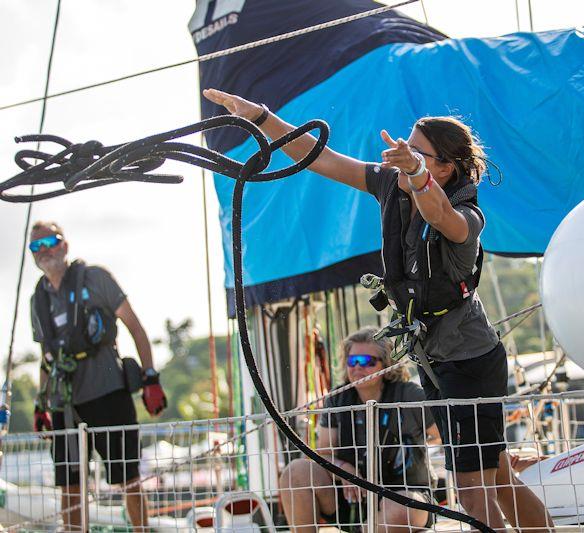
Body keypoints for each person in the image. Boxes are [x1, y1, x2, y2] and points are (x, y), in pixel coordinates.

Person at [204, 88, 551, 531]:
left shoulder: (467, 217)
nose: (400, 156)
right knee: (497, 474)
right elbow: (320, 156)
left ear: (445, 168)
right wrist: (261, 117)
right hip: (435, 359)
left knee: (471, 488)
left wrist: (418, 174)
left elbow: (442, 215)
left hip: (469, 363)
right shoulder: (392, 183)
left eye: (417, 153)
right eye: (403, 147)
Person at [29, 221, 167, 532]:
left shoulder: (96, 278)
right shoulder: (37, 301)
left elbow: (135, 326)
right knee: (69, 484)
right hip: (64, 404)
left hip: (108, 393)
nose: (44, 250)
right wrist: (41, 405)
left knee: (128, 478)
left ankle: (142, 530)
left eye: (50, 241)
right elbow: (45, 359)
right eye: (36, 246)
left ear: (65, 245)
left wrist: (150, 377)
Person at [279, 327, 440, 532]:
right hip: (353, 497)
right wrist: (345, 470)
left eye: (365, 361)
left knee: (400, 508)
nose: (357, 367)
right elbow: (325, 453)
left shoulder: (410, 395)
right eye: (351, 361)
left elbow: (443, 436)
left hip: (408, 496)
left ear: (386, 365)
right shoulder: (337, 398)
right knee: (295, 471)